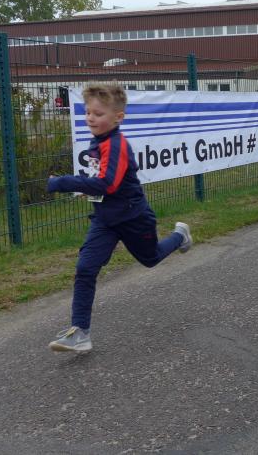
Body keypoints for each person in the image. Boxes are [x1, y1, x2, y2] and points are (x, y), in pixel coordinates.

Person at [46, 83, 193, 353]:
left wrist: (63, 182)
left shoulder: (116, 144)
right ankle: (80, 332)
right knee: (85, 268)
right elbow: (102, 179)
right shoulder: (98, 140)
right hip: (104, 220)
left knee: (150, 259)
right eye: (88, 112)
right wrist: (86, 187)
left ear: (118, 117)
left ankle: (180, 235)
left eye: (98, 114)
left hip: (133, 218)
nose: (91, 118)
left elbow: (108, 184)